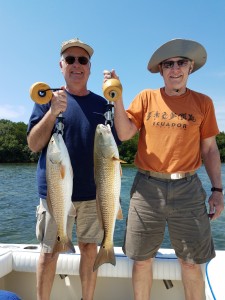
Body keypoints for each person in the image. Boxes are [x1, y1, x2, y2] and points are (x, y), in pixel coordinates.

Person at [105, 39, 224, 300]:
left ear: (190, 67)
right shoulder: (146, 97)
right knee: (142, 260)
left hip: (189, 188)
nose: (175, 69)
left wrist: (217, 190)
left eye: (181, 63)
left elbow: (211, 150)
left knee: (192, 262)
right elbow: (124, 134)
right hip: (147, 188)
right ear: (161, 71)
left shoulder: (204, 103)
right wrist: (118, 97)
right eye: (168, 64)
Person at [27, 38, 118, 300]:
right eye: (70, 59)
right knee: (48, 252)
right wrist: (53, 111)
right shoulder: (47, 99)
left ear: (89, 67)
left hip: (94, 193)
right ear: (61, 65)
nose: (76, 65)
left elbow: (117, 142)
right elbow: (34, 144)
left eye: (82, 60)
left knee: (90, 249)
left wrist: (117, 95)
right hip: (55, 190)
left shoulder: (103, 105)